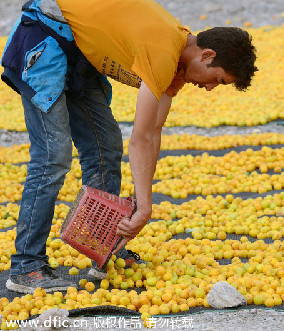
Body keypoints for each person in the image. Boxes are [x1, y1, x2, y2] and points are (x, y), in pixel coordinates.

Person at [1, 0, 257, 294]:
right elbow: (140, 137)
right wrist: (144, 210)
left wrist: (140, 201)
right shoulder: (164, 50)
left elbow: (153, 133)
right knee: (53, 156)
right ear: (207, 55)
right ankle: (26, 266)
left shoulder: (177, 62)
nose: (211, 88)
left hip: (79, 52)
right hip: (44, 38)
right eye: (217, 79)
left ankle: (104, 248)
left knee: (106, 147)